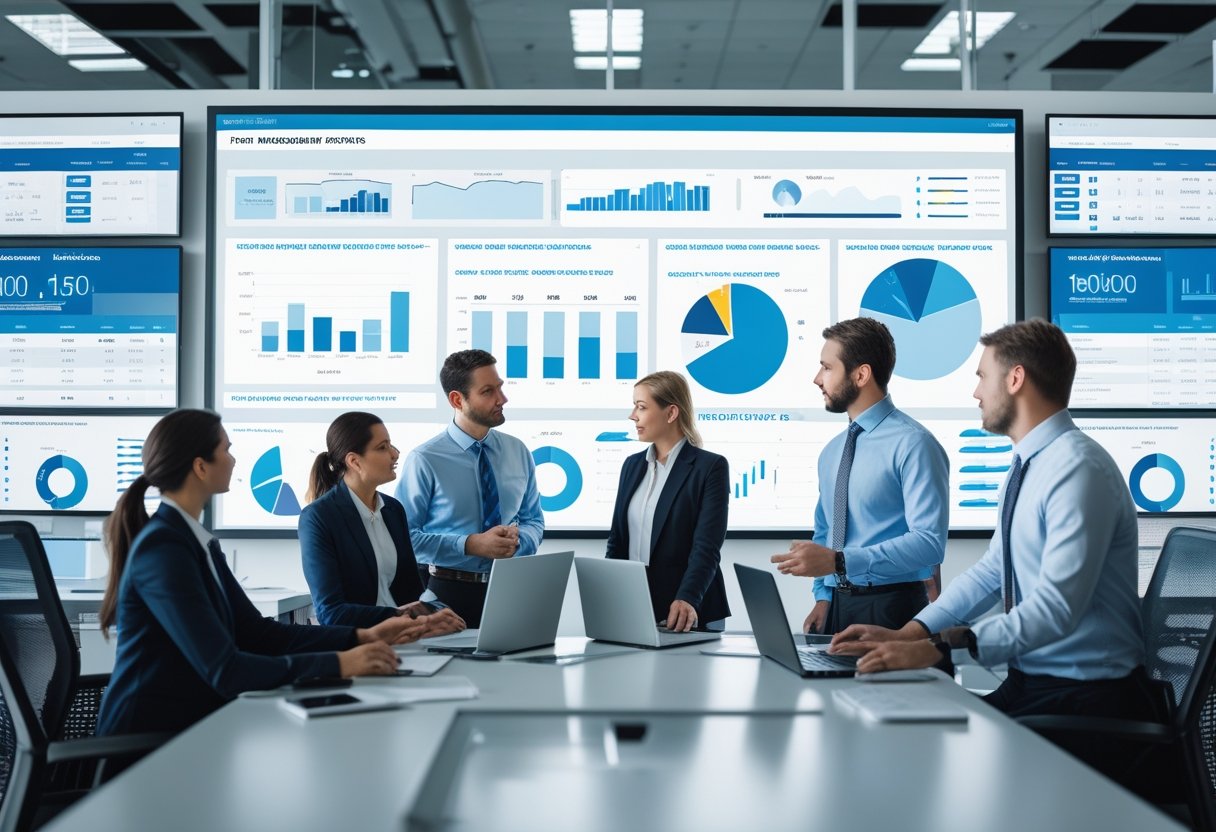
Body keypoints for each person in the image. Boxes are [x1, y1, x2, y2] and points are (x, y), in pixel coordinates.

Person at [830, 320, 1161, 735]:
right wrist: (909, 633)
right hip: (1035, 684)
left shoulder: (1078, 470)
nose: (976, 392)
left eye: (983, 377)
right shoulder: (1029, 464)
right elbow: (993, 571)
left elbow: (1056, 609)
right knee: (902, 723)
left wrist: (940, 651)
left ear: (1016, 378)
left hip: (1086, 699)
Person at [97, 409, 427, 737]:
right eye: (226, 450)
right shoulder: (163, 550)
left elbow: (258, 634)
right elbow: (226, 670)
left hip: (195, 723)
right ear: (200, 467)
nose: (234, 460)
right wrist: (340, 663)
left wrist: (362, 637)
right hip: (148, 740)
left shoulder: (198, 543)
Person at [771, 317, 949, 635]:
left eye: (827, 368)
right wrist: (824, 597)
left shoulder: (914, 444)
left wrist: (840, 562)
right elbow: (826, 530)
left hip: (895, 607)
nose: (816, 379)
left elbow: (929, 543)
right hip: (839, 605)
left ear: (861, 374)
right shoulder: (832, 452)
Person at [396, 350, 544, 627]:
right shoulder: (425, 459)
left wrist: (518, 542)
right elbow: (405, 540)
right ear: (457, 399)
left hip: (512, 590)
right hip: (448, 596)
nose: (502, 399)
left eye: (500, 388)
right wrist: (472, 544)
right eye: (488, 391)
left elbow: (534, 519)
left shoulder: (518, 450)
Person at [299, 411, 466, 634]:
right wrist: (401, 616)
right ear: (354, 461)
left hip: (408, 637)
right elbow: (331, 613)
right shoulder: (319, 517)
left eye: (391, 445)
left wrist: (435, 610)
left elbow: (412, 593)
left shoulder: (393, 510)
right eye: (382, 447)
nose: (395, 454)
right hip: (363, 644)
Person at [605, 371, 730, 632]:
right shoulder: (632, 465)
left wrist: (687, 598)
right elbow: (617, 540)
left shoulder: (710, 467)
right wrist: (610, 595)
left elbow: (706, 547)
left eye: (641, 407)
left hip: (689, 609)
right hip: (636, 605)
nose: (632, 415)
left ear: (671, 413)